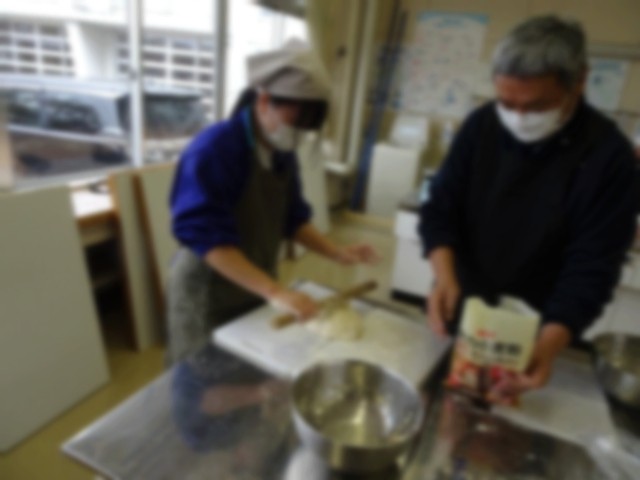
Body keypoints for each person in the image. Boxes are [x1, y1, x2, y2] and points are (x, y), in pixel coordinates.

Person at [419, 16, 639, 403]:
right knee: (449, 401)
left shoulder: (610, 159)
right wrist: (444, 276)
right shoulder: (481, 126)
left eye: (537, 106)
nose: (519, 118)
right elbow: (440, 208)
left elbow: (593, 265)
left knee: (510, 414)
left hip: (539, 323)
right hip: (465, 301)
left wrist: (549, 345)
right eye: (507, 103)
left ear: (579, 82)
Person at [167, 42, 377, 364]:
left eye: (308, 127)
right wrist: (276, 292)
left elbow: (293, 217)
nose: (299, 134)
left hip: (253, 282)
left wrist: (336, 252)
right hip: (208, 291)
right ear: (264, 101)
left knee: (244, 369)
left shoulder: (280, 153)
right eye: (296, 122)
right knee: (202, 378)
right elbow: (208, 239)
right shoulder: (215, 150)